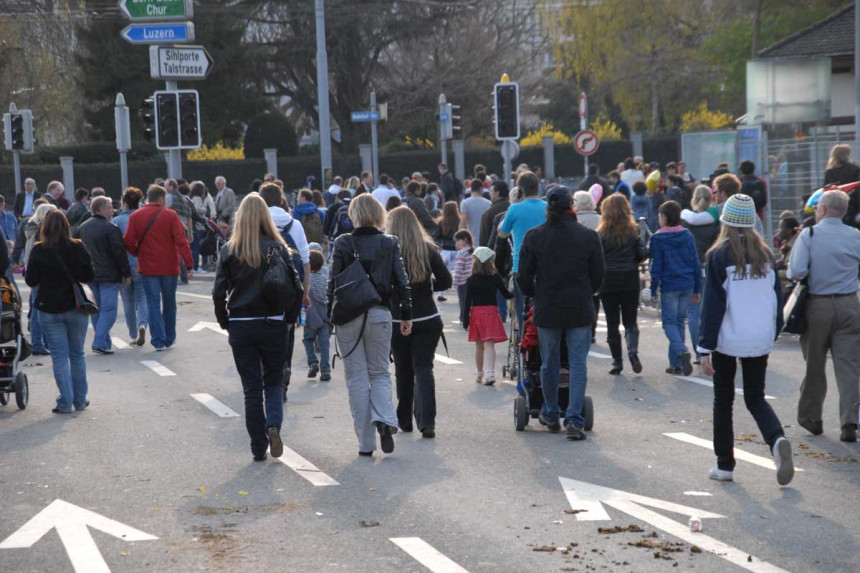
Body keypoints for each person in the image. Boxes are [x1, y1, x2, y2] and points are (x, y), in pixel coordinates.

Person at [698, 194, 793, 485]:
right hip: (759, 336)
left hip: (729, 337)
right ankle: (776, 439)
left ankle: (725, 465)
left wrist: (704, 348)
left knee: (723, 400)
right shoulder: (766, 255)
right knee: (755, 397)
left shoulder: (718, 256)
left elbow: (712, 306)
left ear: (724, 221)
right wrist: (771, 332)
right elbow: (776, 301)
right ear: (753, 222)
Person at [517, 186, 606, 441]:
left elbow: (523, 277)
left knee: (549, 362)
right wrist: (586, 291)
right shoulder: (588, 237)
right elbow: (599, 275)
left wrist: (535, 292)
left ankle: (550, 412)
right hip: (579, 306)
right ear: (572, 206)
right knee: (578, 363)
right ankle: (575, 419)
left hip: (547, 307)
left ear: (548, 208)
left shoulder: (535, 236)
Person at [327, 194, 411, 456]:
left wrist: (330, 317)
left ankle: (366, 443)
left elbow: (333, 282)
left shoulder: (343, 243)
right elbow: (402, 281)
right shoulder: (389, 243)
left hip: (349, 315)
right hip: (380, 312)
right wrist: (406, 314)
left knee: (356, 379)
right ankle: (385, 420)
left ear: (353, 215)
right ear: (379, 214)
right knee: (380, 372)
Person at [213, 193, 293, 462]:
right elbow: (295, 287)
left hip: (241, 323)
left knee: (250, 389)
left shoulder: (230, 249)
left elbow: (218, 291)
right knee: (272, 381)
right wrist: (290, 319)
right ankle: (273, 426)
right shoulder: (277, 248)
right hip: (272, 322)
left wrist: (225, 319)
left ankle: (258, 447)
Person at [788, 190, 860, 442]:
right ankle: (849, 421)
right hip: (850, 303)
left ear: (824, 210)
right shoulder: (855, 236)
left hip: (818, 304)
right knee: (849, 365)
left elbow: (796, 270)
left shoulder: (810, 234)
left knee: (815, 362)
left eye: (818, 208)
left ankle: (812, 416)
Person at [386, 207, 451, 437]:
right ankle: (427, 422)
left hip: (397, 318)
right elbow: (446, 279)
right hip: (427, 316)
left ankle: (404, 418)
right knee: (424, 369)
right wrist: (425, 287)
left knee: (403, 369)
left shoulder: (388, 250)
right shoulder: (428, 249)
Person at [25, 210, 94, 413]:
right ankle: (80, 400)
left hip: (49, 309)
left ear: (44, 228)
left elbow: (31, 280)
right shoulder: (78, 247)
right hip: (76, 307)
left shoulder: (39, 250)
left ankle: (65, 400)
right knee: (77, 354)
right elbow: (89, 274)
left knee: (59, 357)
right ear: (66, 226)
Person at [123, 185, 193, 351]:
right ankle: (169, 337)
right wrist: (189, 265)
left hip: (148, 267)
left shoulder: (136, 216)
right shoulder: (171, 215)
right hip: (169, 266)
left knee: (153, 303)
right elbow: (181, 241)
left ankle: (158, 340)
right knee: (169, 303)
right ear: (162, 199)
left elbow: (128, 241)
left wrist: (137, 252)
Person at [260, 183, 312, 398]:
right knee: (287, 333)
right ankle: (285, 371)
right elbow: (307, 261)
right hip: (290, 289)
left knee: (264, 334)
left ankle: (270, 377)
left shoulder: (257, 224)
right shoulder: (295, 225)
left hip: (263, 288)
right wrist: (305, 293)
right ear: (282, 201)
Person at [649, 200, 701, 376]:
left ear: (663, 217)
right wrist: (697, 289)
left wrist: (652, 288)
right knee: (679, 321)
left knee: (669, 323)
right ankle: (676, 364)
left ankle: (681, 351)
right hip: (687, 283)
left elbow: (656, 267)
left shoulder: (657, 238)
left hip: (670, 285)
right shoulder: (687, 235)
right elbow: (695, 261)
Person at [597, 194, 646, 375]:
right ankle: (632, 351)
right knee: (630, 321)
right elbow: (641, 255)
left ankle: (617, 361)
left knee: (612, 322)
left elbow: (597, 258)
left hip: (608, 281)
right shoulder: (632, 232)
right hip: (629, 279)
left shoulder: (600, 234)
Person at [75, 196, 130, 355]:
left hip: (90, 275)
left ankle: (104, 343)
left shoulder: (82, 227)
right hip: (109, 275)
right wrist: (126, 273)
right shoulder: (110, 228)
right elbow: (119, 253)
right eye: (110, 207)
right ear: (101, 209)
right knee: (109, 310)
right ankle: (99, 341)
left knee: (96, 310)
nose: (112, 210)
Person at [498, 172, 547, 324]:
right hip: (546, 264)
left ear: (519, 189)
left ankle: (523, 343)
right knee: (543, 309)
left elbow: (502, 233)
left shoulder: (514, 209)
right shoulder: (547, 207)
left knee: (522, 313)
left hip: (521, 265)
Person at [681, 185, 720, 364]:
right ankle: (717, 349)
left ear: (694, 199)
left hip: (691, 269)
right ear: (711, 198)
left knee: (693, 312)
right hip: (711, 267)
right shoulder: (716, 220)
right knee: (714, 310)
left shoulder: (686, 220)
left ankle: (699, 352)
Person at [463, 247, 513, 386]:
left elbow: (467, 302)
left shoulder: (471, 280)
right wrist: (515, 292)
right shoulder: (495, 277)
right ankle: (490, 373)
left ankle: (480, 373)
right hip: (491, 312)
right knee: (489, 344)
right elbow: (506, 294)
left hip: (477, 313)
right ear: (491, 262)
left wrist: (465, 321)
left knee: (479, 345)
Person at [113, 188, 148, 346]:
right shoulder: (143, 217)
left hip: (124, 264)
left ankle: (133, 334)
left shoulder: (117, 221)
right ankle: (142, 324)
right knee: (142, 298)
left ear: (125, 203)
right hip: (141, 262)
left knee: (127, 300)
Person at [24, 203, 56, 355]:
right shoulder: (40, 233)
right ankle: (38, 343)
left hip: (32, 272)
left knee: (37, 308)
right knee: (39, 310)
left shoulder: (31, 228)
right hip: (41, 275)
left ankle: (41, 342)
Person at [303, 249, 331, 382]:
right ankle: (325, 371)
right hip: (325, 315)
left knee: (308, 340)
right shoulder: (325, 279)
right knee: (324, 343)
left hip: (311, 315)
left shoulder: (306, 281)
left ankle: (313, 363)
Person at [823, 144, 860, 229]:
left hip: (835, 209)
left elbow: (826, 192)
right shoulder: (856, 169)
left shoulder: (830, 172)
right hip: (853, 207)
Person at [431, 201, 460, 302]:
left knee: (444, 272)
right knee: (459, 272)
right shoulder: (460, 221)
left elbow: (435, 236)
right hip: (457, 250)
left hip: (445, 250)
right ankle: (461, 293)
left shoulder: (442, 222)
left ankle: (441, 294)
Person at [451, 229, 474, 326]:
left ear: (465, 240)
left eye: (458, 241)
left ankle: (463, 318)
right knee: (471, 301)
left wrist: (454, 283)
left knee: (463, 301)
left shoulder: (461, 253)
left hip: (462, 281)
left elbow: (459, 270)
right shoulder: (474, 251)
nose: (456, 243)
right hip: (472, 280)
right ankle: (471, 317)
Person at [459, 179, 492, 245]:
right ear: (481, 189)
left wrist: (460, 238)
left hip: (471, 239)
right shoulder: (489, 203)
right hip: (485, 239)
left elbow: (463, 223)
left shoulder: (465, 203)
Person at [479, 180, 510, 248]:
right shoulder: (513, 208)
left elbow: (484, 239)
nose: (489, 194)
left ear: (497, 193)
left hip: (494, 252)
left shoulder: (489, 212)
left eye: (491, 191)